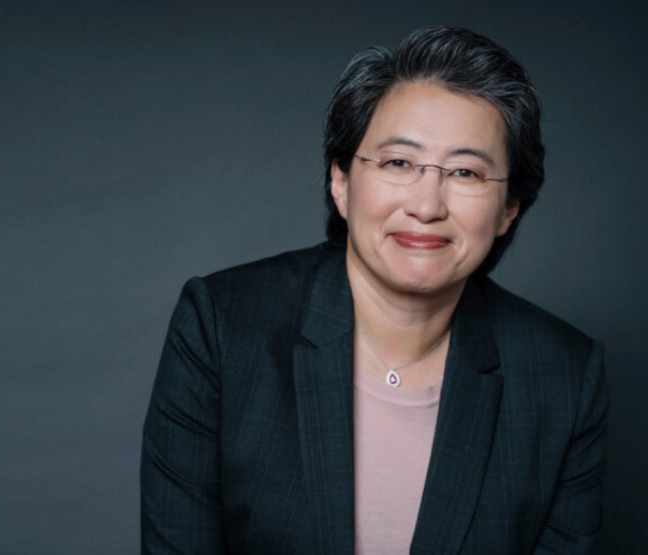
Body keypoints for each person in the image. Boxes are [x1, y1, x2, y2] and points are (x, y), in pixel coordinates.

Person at [141, 26, 607, 554]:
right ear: (341, 180)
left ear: (508, 209)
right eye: (398, 162)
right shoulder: (221, 327)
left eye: (466, 171)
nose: (427, 205)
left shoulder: (564, 376)